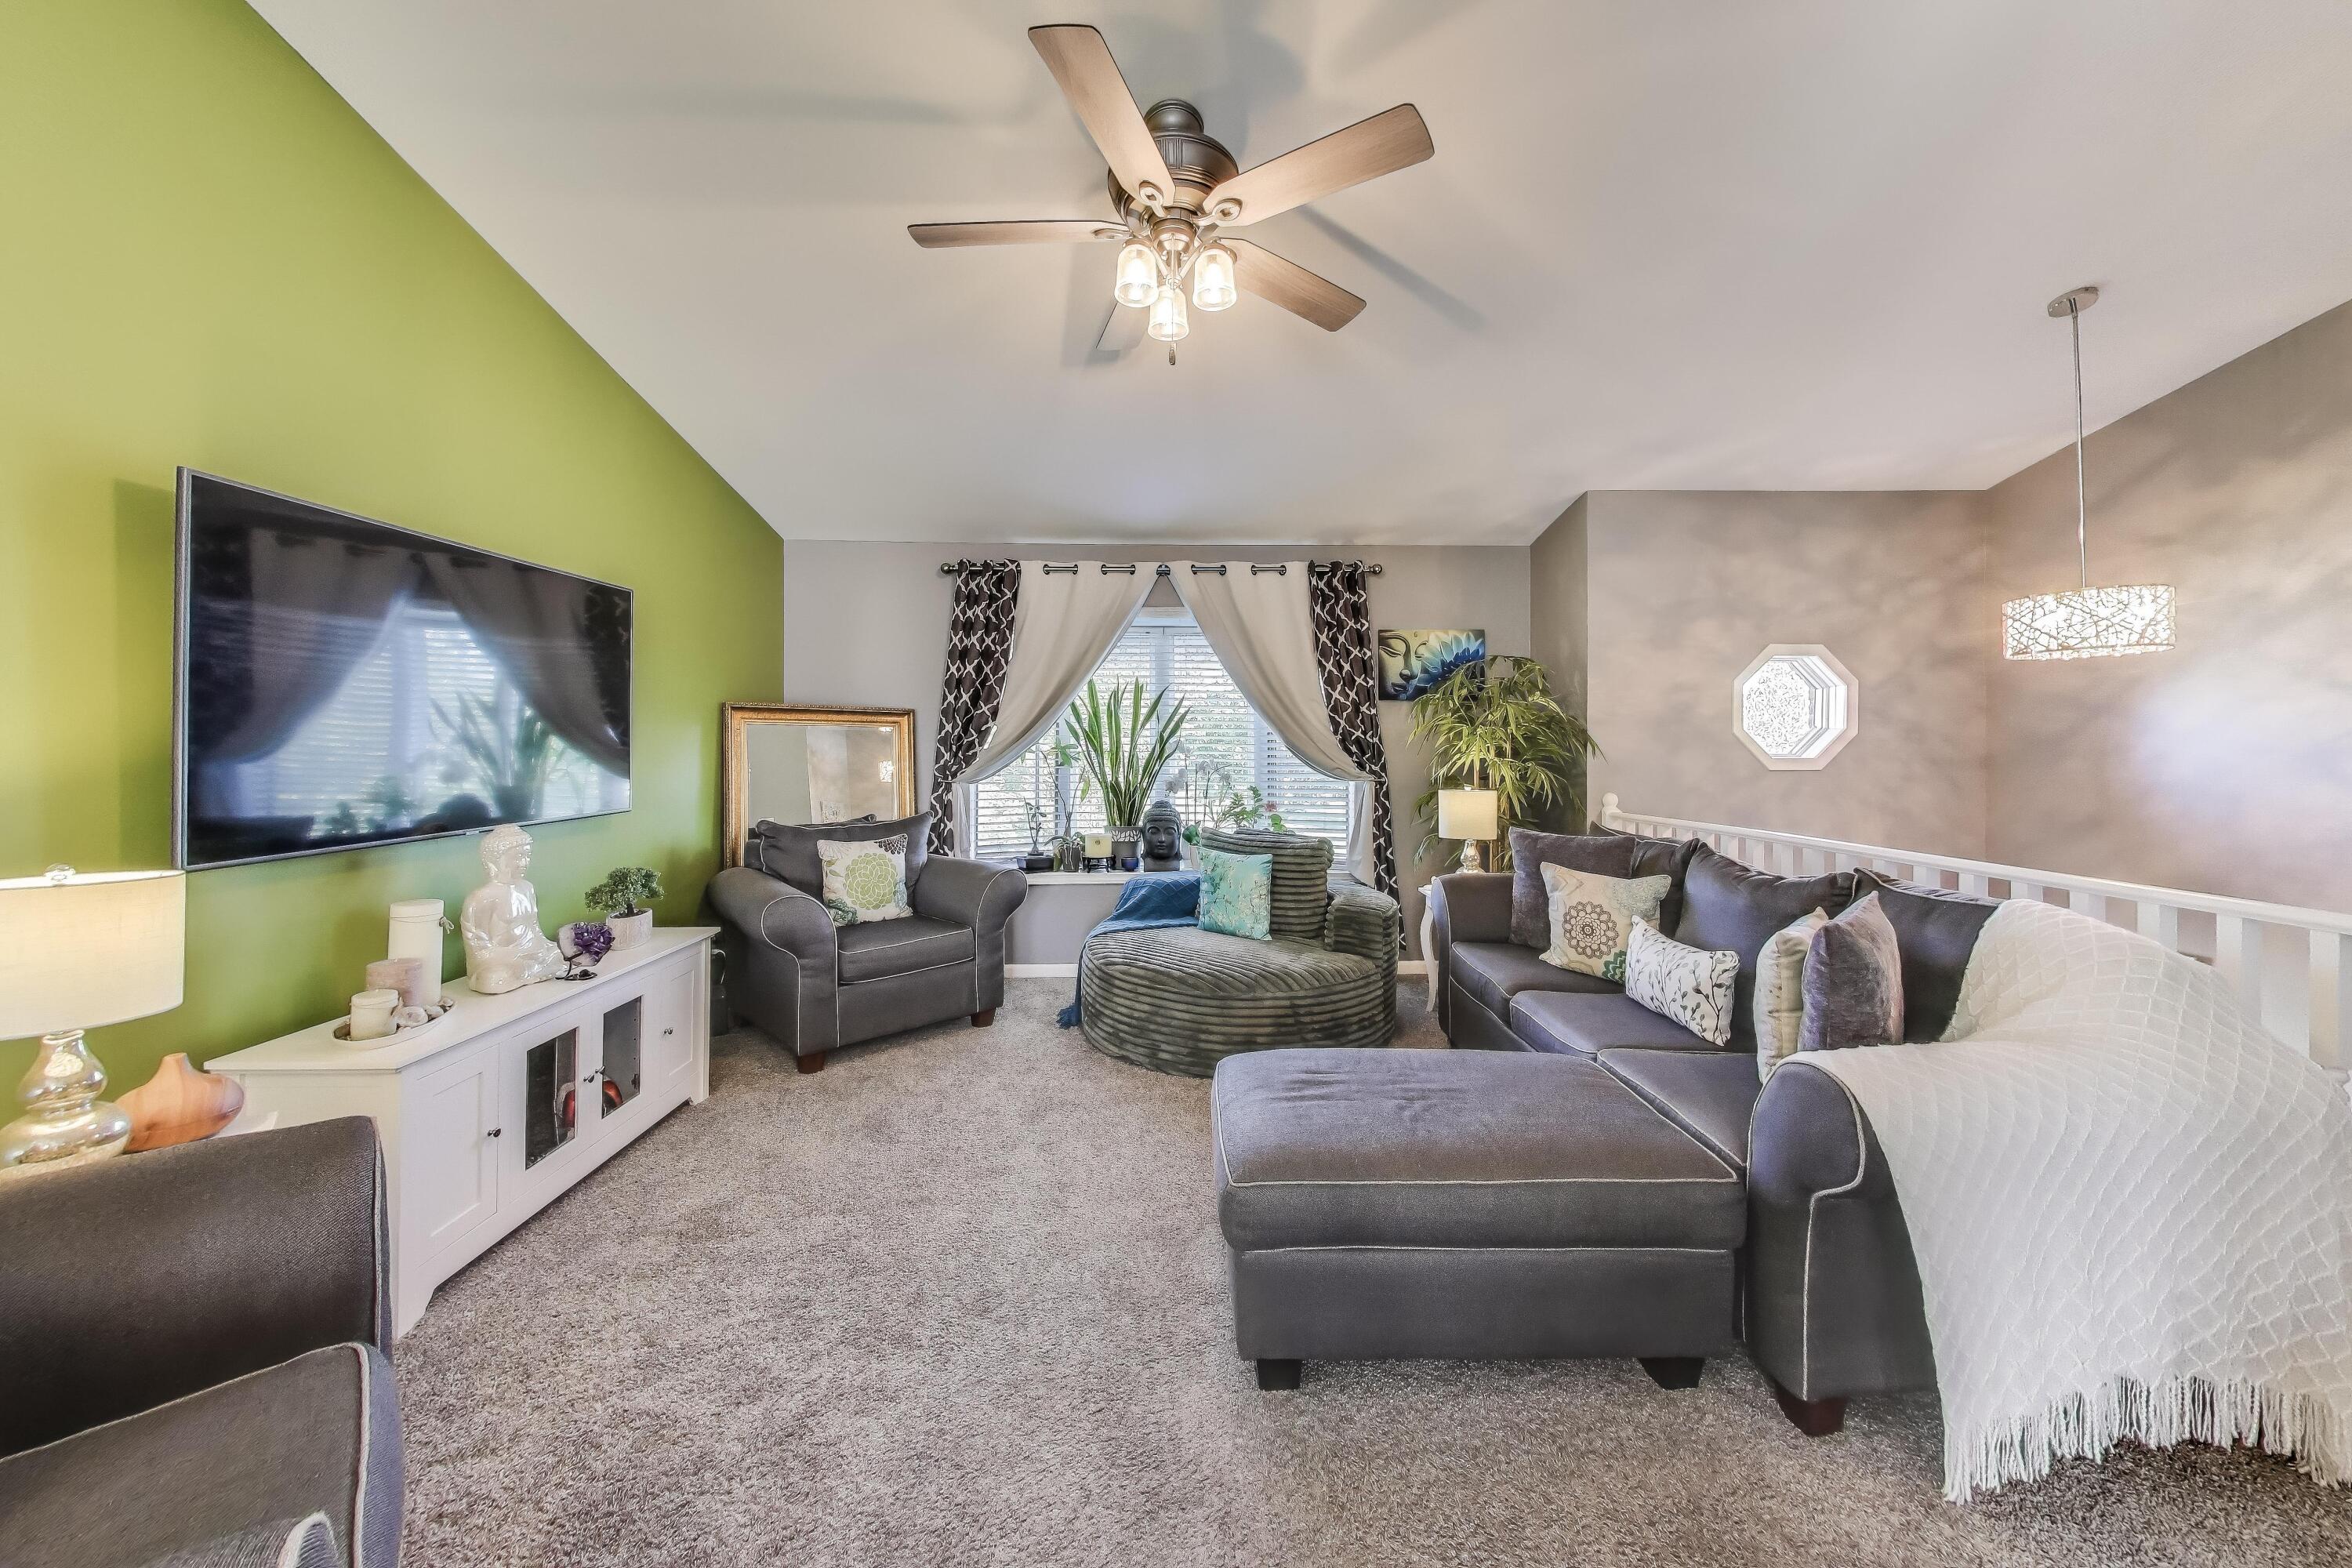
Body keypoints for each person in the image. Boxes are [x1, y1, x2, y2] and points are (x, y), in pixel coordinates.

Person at [459, 824, 568, 993]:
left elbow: (535, 931)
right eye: (517, 857)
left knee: (556, 954)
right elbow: (478, 951)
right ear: (496, 858)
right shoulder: (481, 898)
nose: (524, 863)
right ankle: (533, 972)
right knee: (492, 978)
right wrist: (518, 956)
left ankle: (533, 971)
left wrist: (542, 948)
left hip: (530, 954)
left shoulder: (527, 888)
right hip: (500, 961)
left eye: (527, 856)